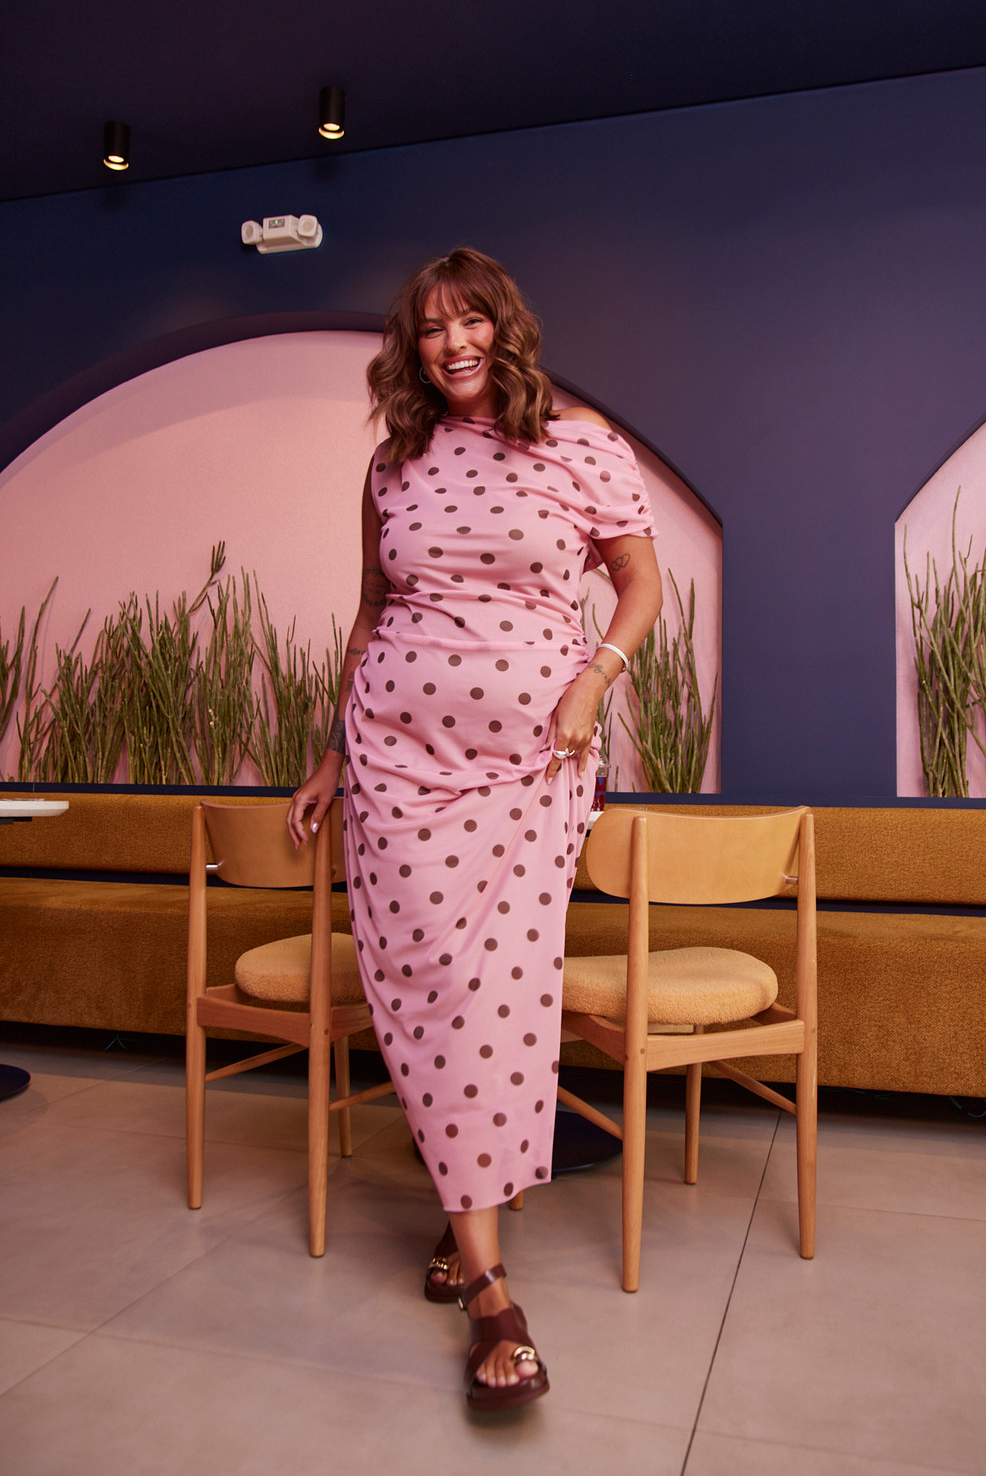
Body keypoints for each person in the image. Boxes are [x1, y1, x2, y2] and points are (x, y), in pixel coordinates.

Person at [288, 247, 662, 1409]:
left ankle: (485, 1279)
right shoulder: (393, 464)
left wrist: (594, 682)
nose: (453, 343)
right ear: (412, 346)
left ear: (507, 328)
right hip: (394, 763)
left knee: (493, 990)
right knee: (422, 988)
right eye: (432, 327)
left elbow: (641, 587)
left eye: (472, 321)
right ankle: (477, 1243)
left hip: (530, 762)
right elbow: (371, 611)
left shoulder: (582, 443)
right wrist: (333, 749)